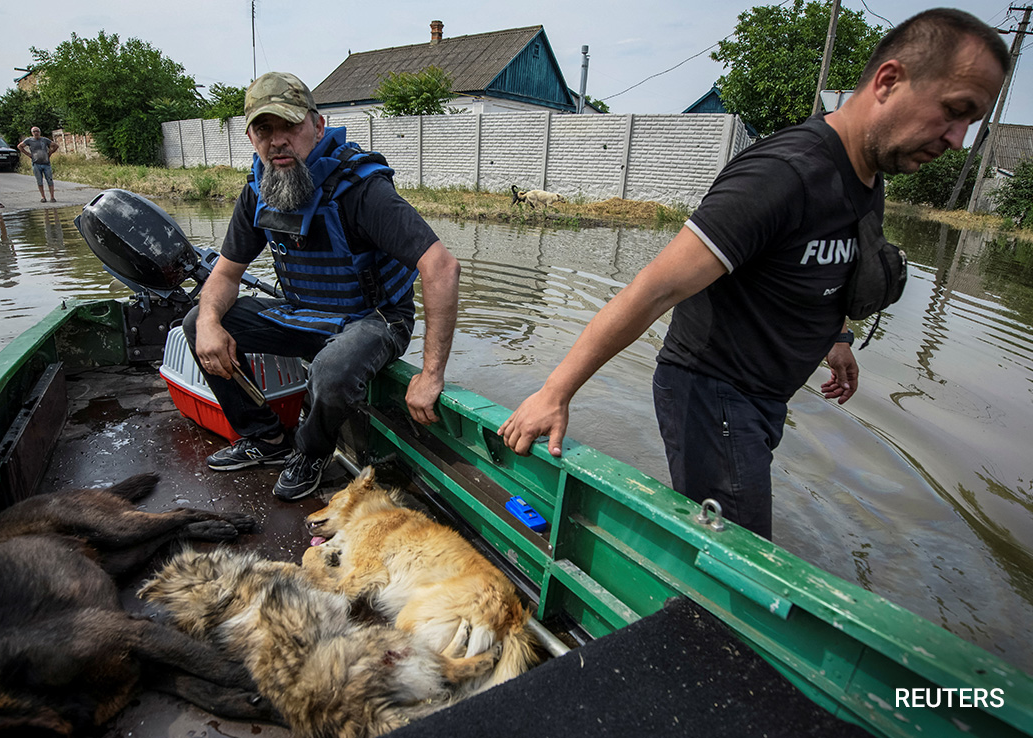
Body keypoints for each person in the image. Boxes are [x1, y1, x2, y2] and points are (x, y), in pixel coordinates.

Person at [498, 8, 1008, 540]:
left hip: (765, 398)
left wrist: (836, 337)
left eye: (970, 122)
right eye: (954, 111)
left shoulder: (867, 173)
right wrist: (555, 393)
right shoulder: (783, 174)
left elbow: (818, 265)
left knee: (729, 547)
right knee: (740, 567)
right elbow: (653, 290)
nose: (957, 138)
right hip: (716, 391)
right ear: (888, 81)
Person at [183, 71, 461, 501]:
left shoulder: (361, 190)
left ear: (317, 126)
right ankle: (266, 440)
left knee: (332, 372)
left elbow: (441, 267)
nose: (277, 141)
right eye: (263, 129)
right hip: (305, 314)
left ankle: (310, 451)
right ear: (251, 137)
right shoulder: (258, 191)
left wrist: (431, 373)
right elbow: (224, 275)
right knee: (198, 322)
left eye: (289, 126)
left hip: (373, 319)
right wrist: (208, 322)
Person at [18, 126, 59, 202]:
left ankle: (52, 197)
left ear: (40, 132)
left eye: (37, 131)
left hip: (46, 163)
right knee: (39, 181)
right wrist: (28, 154)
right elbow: (20, 146)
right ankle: (43, 197)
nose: (36, 133)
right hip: (36, 163)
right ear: (32, 133)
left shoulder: (44, 140)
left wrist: (50, 152)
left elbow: (55, 145)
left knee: (49, 180)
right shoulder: (29, 140)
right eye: (34, 131)